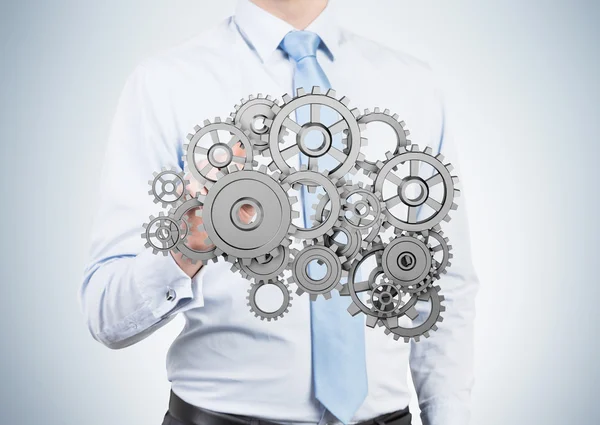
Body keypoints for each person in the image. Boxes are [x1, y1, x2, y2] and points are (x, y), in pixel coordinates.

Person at [80, 1, 480, 425]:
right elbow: (107, 314)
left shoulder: (413, 84)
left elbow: (445, 286)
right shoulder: (165, 83)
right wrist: (190, 244)